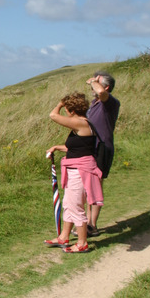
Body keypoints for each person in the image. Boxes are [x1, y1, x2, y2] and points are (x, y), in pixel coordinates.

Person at [44, 92, 102, 253]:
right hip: (76, 167)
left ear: (71, 110)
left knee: (75, 206)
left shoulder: (79, 122)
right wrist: (57, 147)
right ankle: (64, 237)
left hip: (80, 170)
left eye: (67, 109)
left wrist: (61, 103)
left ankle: (82, 243)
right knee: (69, 204)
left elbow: (53, 116)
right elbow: (79, 147)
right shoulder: (83, 123)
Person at [85, 71, 120, 236]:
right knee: (88, 186)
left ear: (106, 87)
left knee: (96, 185)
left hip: (103, 147)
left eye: (97, 81)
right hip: (91, 146)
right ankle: (87, 223)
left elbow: (100, 92)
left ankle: (93, 224)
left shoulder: (110, 102)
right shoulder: (95, 103)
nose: (92, 85)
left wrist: (93, 81)